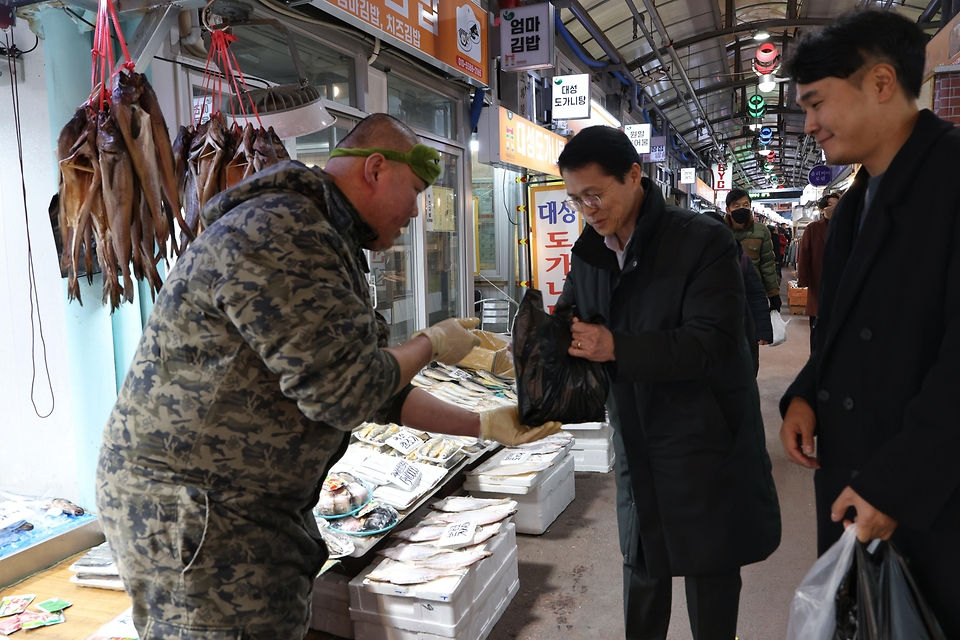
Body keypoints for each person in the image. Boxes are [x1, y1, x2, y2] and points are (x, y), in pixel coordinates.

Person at [95, 114, 561, 640]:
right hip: (199, 514)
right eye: (413, 192)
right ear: (376, 169)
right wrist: (431, 344)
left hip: (242, 506)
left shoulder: (324, 235)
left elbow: (377, 390)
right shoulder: (284, 231)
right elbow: (346, 392)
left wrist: (483, 424)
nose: (416, 210)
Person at [555, 126, 781, 640]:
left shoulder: (702, 241)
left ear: (634, 176)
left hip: (704, 440)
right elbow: (573, 317)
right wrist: (542, 345)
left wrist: (615, 346)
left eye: (595, 193)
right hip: (635, 435)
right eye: (575, 200)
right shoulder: (590, 251)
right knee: (642, 566)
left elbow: (714, 343)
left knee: (710, 574)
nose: (587, 208)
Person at [779, 10, 960, 635]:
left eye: (817, 102)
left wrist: (897, 483)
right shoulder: (858, 201)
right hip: (863, 478)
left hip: (933, 493)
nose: (810, 125)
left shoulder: (952, 179)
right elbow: (845, 328)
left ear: (882, 83)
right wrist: (805, 391)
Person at [706, 210, 773, 373]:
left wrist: (762, 329)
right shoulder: (686, 261)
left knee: (742, 372)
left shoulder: (739, 258)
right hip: (704, 332)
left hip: (739, 328)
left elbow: (755, 294)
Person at [724, 189, 781, 312]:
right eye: (736, 206)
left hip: (754, 291)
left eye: (745, 205)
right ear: (728, 210)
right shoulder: (719, 230)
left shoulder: (762, 231)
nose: (742, 209)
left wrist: (773, 293)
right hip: (724, 291)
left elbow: (767, 264)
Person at [796, 192, 840, 350]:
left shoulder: (847, 225)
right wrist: (803, 280)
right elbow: (805, 255)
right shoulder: (813, 228)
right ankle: (816, 357)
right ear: (822, 210)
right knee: (818, 324)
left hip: (842, 281)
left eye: (837, 204)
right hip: (818, 281)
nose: (833, 208)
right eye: (829, 205)